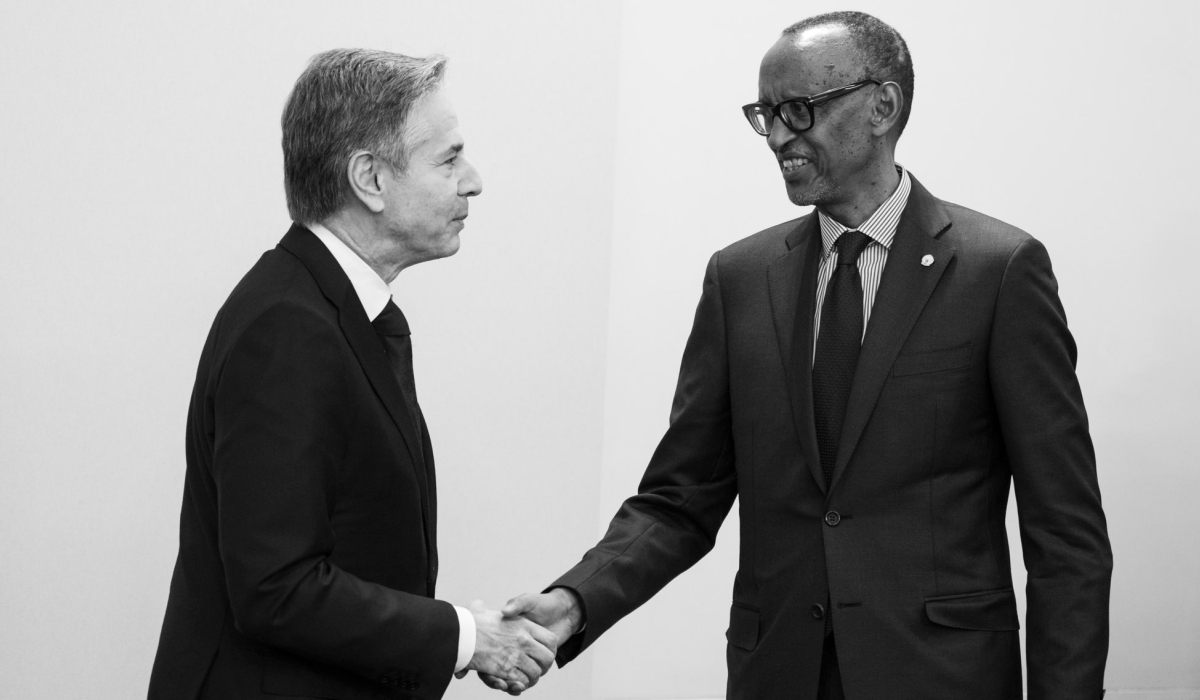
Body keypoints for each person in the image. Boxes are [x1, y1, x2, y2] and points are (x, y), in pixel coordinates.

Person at [494, 11, 1112, 700]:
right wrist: (574, 603)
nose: (780, 135)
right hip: (776, 677)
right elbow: (680, 498)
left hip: (941, 678)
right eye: (766, 114)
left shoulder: (998, 271)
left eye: (799, 110)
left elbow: (1067, 537)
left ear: (883, 106)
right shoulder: (740, 278)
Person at [147, 49, 556, 700]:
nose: (473, 180)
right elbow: (276, 588)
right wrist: (468, 636)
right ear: (370, 179)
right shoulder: (287, 329)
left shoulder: (327, 308)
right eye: (449, 159)